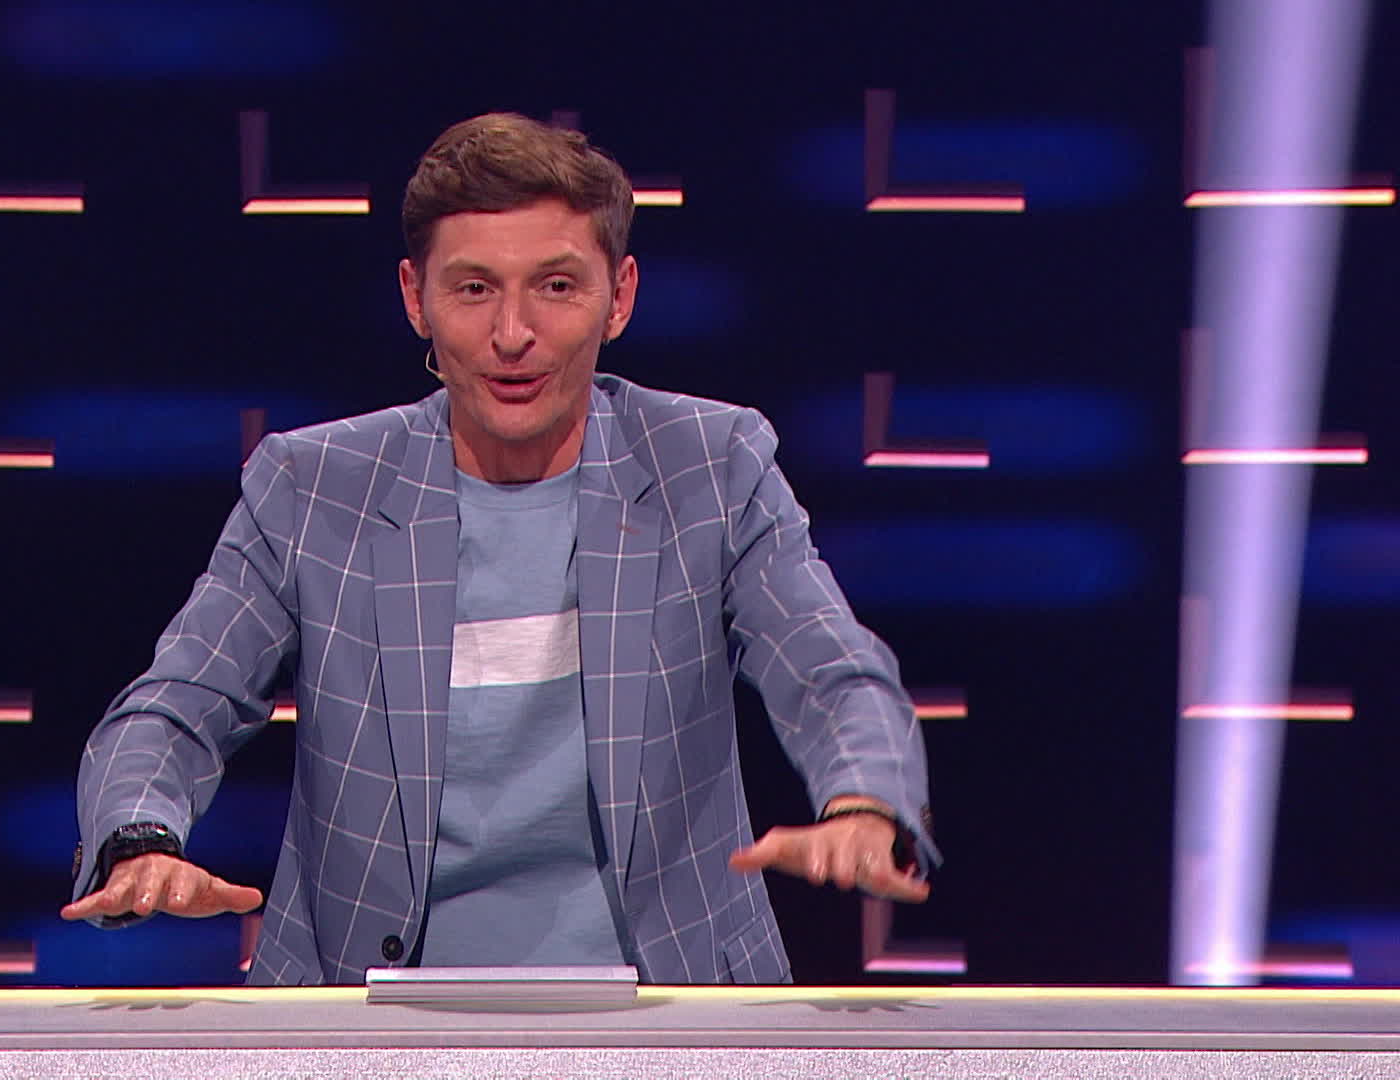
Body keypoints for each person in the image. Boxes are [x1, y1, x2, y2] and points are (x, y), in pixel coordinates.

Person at [61, 112, 937, 985]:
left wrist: (865, 801)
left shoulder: (708, 466)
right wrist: (140, 836)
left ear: (620, 296)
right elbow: (178, 702)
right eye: (475, 288)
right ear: (416, 298)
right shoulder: (313, 487)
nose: (513, 333)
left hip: (666, 1007)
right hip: (363, 1014)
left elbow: (829, 667)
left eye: (556, 286)